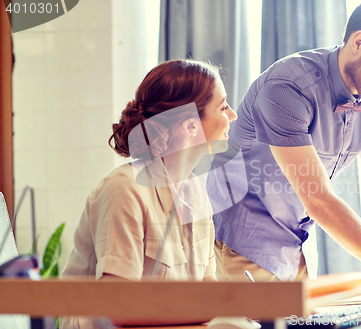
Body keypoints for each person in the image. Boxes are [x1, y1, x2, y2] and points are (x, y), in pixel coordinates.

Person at [207, 0, 361, 283]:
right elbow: (318, 198)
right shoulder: (289, 86)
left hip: (297, 249)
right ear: (359, 41)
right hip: (244, 246)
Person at [60, 59, 237, 329]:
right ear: (191, 126)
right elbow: (121, 312)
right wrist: (215, 311)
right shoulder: (123, 188)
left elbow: (207, 290)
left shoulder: (196, 192)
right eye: (223, 106)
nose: (232, 115)